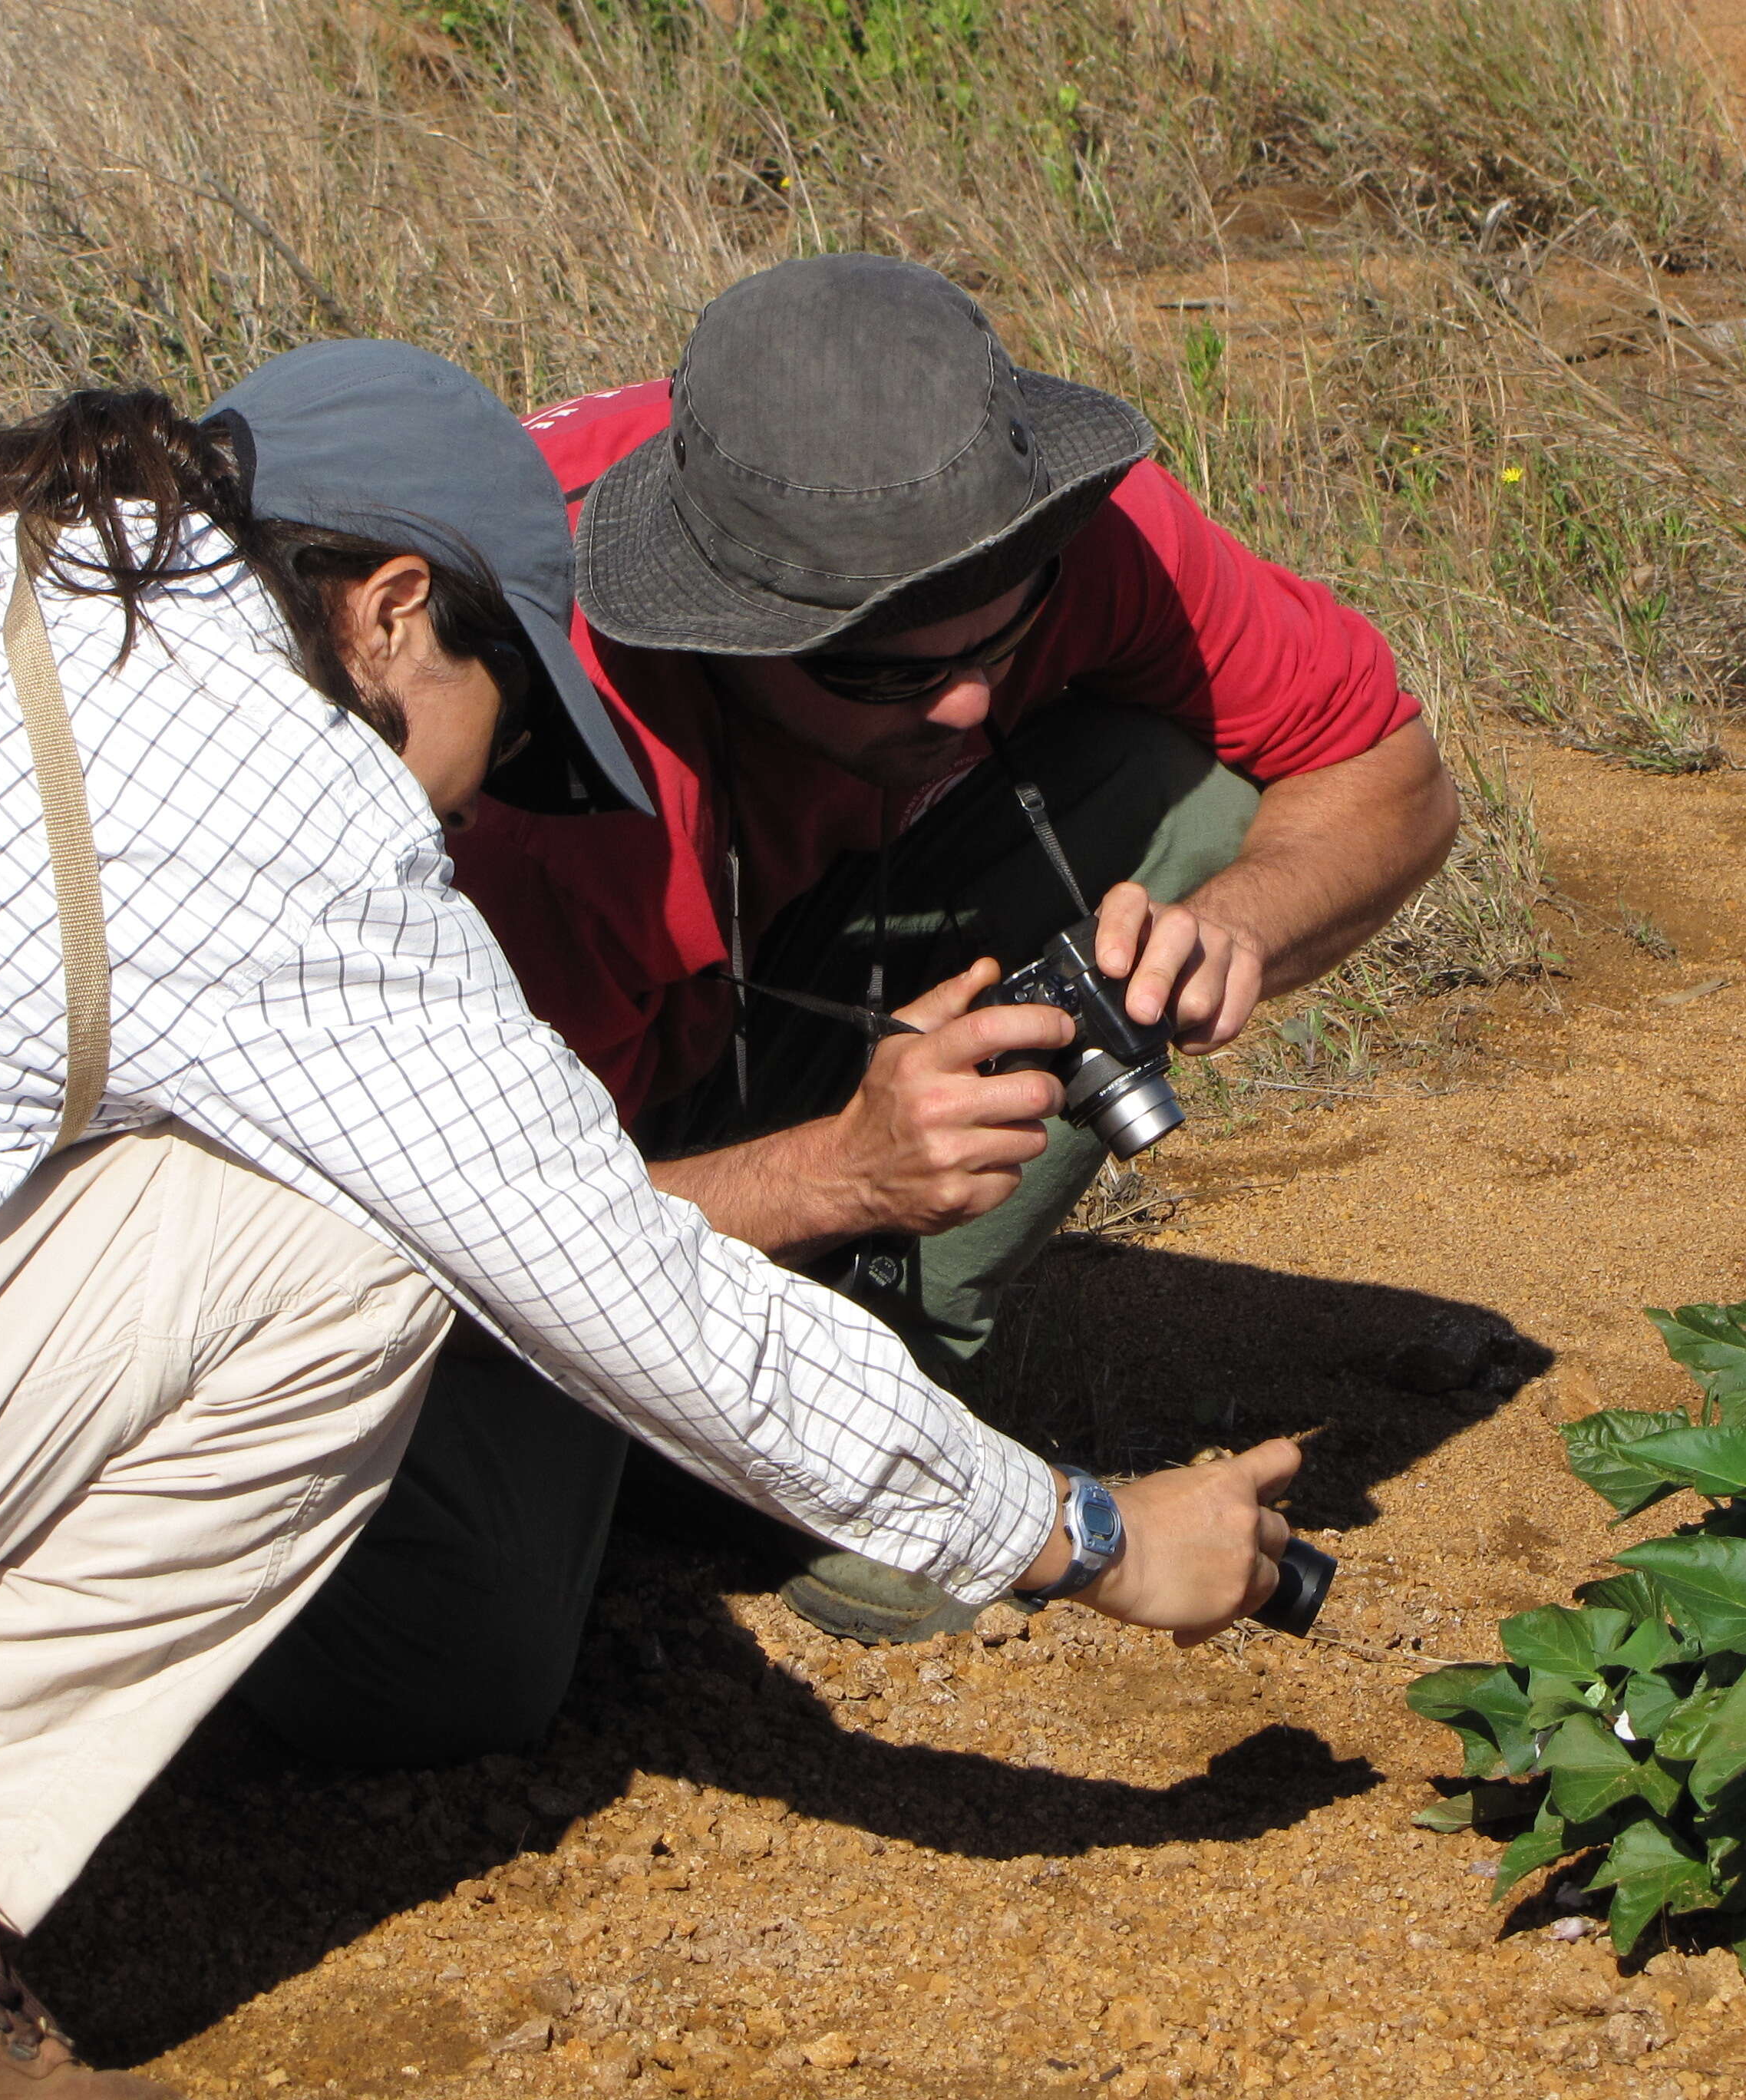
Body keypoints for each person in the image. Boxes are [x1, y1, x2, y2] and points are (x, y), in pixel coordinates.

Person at [0, 342, 1297, 2100]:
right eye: (513, 732)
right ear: (395, 611)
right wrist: (1081, 1533)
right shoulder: (282, 808)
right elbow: (624, 1288)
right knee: (343, 1255)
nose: (483, 809)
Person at [239, 253, 1454, 1735]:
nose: (963, 704)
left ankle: (861, 1399)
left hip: (727, 996)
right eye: (882, 672)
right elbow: (468, 1230)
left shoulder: (1060, 528)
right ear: (722, 622)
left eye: (1000, 637)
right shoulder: (526, 770)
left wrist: (1233, 929)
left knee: (1175, 793)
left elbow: (1389, 770)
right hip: (463, 1159)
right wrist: (838, 1175)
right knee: (465, 1665)